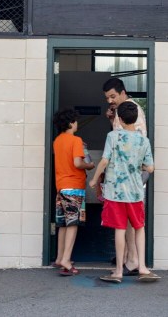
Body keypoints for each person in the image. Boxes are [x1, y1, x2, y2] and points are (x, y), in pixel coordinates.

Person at [89, 102, 159, 283]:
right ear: (136, 119)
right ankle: (143, 267)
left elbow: (104, 161)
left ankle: (118, 271)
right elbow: (150, 168)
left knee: (119, 229)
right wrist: (138, 165)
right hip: (135, 192)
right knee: (139, 228)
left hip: (115, 192)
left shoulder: (113, 136)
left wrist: (94, 179)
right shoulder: (143, 140)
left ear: (119, 119)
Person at [102, 77, 148, 275]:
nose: (110, 101)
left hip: (128, 174)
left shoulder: (130, 111)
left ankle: (132, 260)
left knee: (128, 218)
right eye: (107, 98)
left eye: (113, 96)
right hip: (128, 173)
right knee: (129, 217)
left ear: (122, 93)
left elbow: (128, 144)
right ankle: (129, 256)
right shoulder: (124, 112)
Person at [51, 108, 96, 276]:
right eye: (75, 121)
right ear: (71, 123)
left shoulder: (57, 141)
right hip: (74, 187)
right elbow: (78, 163)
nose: (77, 123)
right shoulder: (76, 140)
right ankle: (66, 260)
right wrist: (90, 166)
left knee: (62, 223)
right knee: (73, 224)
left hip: (61, 186)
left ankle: (59, 257)